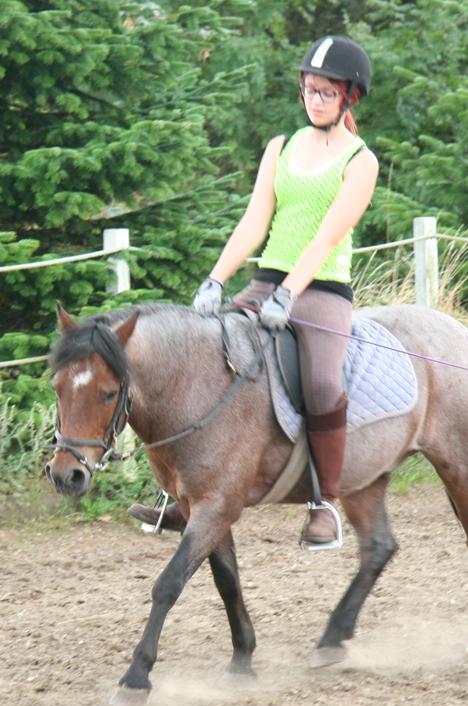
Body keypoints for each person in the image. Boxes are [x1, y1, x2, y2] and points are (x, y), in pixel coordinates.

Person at [130, 34, 380, 548]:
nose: (314, 100)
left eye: (326, 93)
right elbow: (254, 222)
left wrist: (290, 293)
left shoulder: (361, 161)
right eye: (309, 90)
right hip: (265, 280)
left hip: (322, 291)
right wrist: (216, 278)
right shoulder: (280, 148)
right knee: (206, 355)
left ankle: (325, 502)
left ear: (348, 97)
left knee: (321, 383)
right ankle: (180, 493)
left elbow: (328, 234)